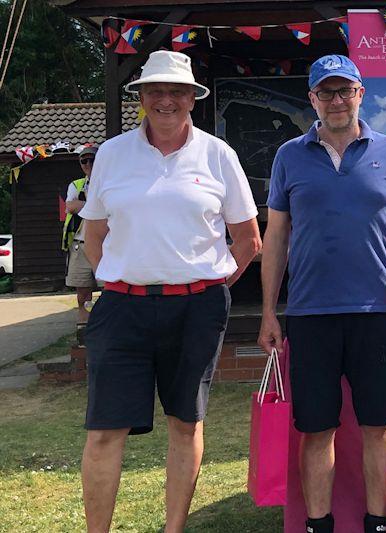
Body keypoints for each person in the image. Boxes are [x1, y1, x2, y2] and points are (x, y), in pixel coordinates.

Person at [78, 50, 261, 533]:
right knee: (103, 431)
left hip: (197, 307)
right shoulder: (113, 154)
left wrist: (210, 286)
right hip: (122, 308)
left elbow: (248, 239)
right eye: (154, 91)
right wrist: (126, 275)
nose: (165, 100)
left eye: (176, 91)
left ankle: (173, 529)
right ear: (140, 97)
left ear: (192, 99)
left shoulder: (219, 155)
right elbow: (94, 238)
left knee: (186, 423)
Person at [257, 54, 386, 533]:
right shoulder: (289, 155)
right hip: (309, 314)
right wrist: (269, 312)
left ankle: (378, 523)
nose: (335, 100)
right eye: (325, 91)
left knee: (378, 425)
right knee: (315, 429)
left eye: (344, 90)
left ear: (360, 95)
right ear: (311, 99)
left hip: (377, 312)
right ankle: (318, 524)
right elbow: (275, 239)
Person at [63, 144, 101, 322]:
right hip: (79, 245)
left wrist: (83, 206)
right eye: (83, 160)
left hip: (105, 244)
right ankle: (84, 329)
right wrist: (95, 208)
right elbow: (70, 207)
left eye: (91, 160)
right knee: (82, 292)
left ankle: (106, 325)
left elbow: (111, 208)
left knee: (110, 289)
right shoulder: (76, 184)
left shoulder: (108, 182)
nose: (87, 164)